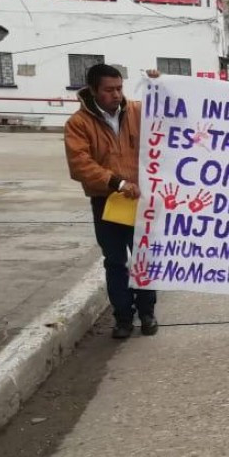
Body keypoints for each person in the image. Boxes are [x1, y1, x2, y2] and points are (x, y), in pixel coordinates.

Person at [64, 64, 159, 339]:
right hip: (107, 202)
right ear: (93, 91)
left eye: (119, 88)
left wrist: (160, 86)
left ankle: (147, 312)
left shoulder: (139, 112)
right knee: (115, 261)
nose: (116, 94)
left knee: (143, 258)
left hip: (140, 201)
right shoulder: (78, 124)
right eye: (109, 90)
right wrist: (116, 183)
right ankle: (123, 318)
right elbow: (79, 164)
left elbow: (172, 114)